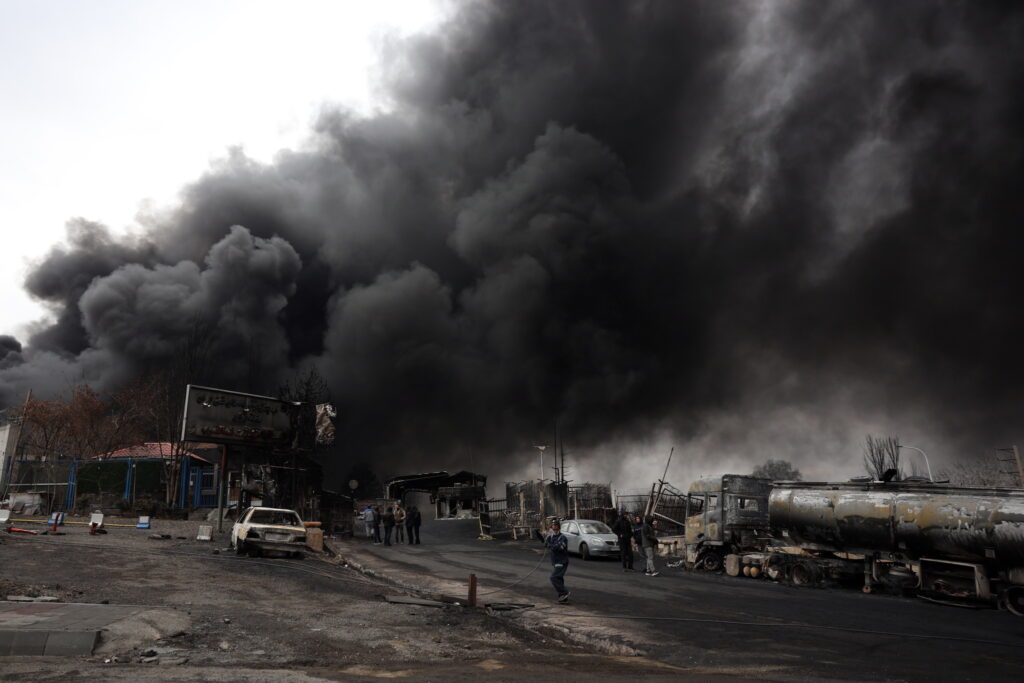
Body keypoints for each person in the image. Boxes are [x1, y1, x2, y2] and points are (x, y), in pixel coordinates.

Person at [544, 520, 571, 603]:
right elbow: (546, 542)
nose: (554, 527)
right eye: (553, 525)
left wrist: (550, 545)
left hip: (562, 561)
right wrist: (545, 540)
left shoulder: (563, 538)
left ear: (559, 527)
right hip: (556, 561)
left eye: (555, 525)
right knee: (559, 579)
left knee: (554, 577)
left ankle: (565, 592)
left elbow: (560, 547)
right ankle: (563, 598)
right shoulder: (551, 536)